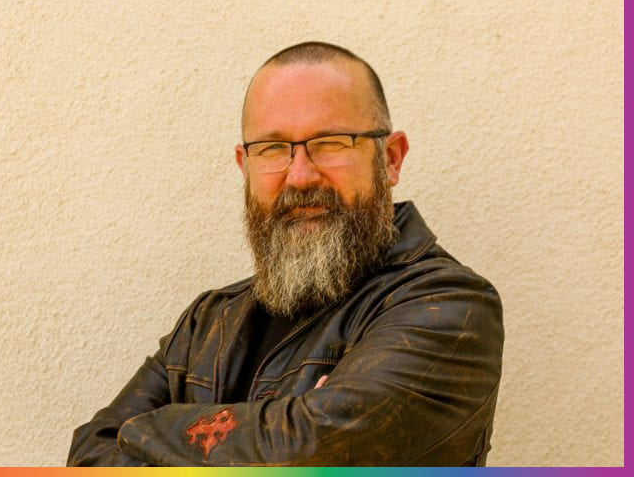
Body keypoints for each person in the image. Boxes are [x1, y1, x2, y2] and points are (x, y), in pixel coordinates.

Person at [67, 41, 504, 467]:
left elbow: (304, 451)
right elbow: (89, 453)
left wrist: (146, 429)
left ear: (390, 158)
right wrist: (281, 424)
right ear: (245, 165)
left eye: (331, 142)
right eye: (273, 148)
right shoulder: (208, 321)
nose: (299, 175)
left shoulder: (450, 306)